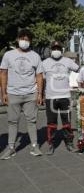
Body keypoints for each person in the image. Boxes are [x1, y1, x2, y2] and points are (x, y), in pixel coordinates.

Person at [0, 29, 43, 160]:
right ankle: (11, 147)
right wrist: (4, 93)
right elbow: (3, 73)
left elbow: (39, 75)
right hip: (13, 93)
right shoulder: (8, 55)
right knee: (12, 121)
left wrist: (40, 93)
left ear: (30, 41)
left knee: (32, 121)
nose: (24, 41)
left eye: (27, 39)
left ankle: (35, 146)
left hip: (31, 93)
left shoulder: (35, 56)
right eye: (22, 38)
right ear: (18, 39)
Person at [42, 41, 79, 155]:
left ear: (61, 49)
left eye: (58, 48)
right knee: (51, 123)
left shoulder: (68, 61)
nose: (56, 50)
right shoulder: (45, 63)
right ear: (51, 50)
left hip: (65, 97)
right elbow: (42, 80)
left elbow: (79, 69)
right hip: (50, 97)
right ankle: (51, 144)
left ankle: (69, 143)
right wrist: (41, 94)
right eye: (54, 48)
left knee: (66, 122)